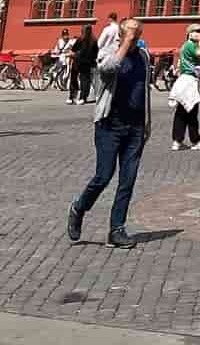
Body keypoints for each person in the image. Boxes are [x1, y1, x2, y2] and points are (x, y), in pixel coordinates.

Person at [66, 15, 151, 249]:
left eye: (138, 34)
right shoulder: (106, 53)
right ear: (121, 35)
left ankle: (117, 229)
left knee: (128, 180)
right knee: (103, 176)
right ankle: (79, 207)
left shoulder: (143, 56)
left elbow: (144, 91)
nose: (135, 38)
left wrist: (147, 122)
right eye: (131, 34)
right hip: (109, 125)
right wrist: (125, 44)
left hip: (135, 127)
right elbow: (108, 69)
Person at [169, 24, 200, 151]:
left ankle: (177, 141)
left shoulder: (186, 45)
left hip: (185, 80)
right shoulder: (190, 45)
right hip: (189, 81)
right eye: (196, 31)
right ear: (189, 33)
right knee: (192, 112)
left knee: (182, 112)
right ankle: (196, 140)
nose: (199, 34)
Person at [71, 24, 99, 105]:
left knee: (75, 78)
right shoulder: (94, 40)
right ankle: (83, 97)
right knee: (85, 80)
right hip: (87, 63)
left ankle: (73, 96)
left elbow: (73, 49)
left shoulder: (80, 39)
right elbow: (96, 52)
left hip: (78, 61)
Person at [54, 27, 75, 94]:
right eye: (64, 35)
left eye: (66, 34)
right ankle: (60, 84)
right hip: (61, 57)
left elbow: (73, 46)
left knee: (68, 71)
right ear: (62, 35)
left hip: (68, 57)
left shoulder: (70, 41)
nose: (65, 36)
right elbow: (57, 49)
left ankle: (63, 83)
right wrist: (57, 53)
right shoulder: (59, 41)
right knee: (60, 71)